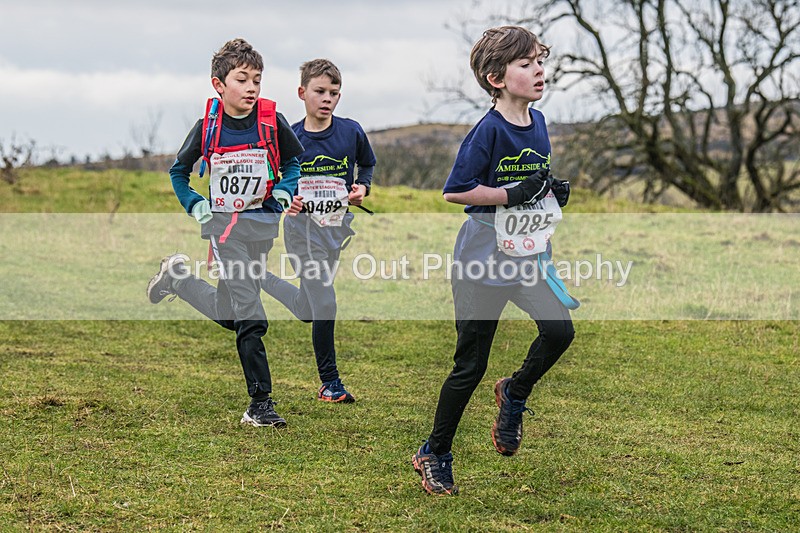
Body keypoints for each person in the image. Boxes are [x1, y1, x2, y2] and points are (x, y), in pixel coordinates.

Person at [412, 26, 576, 495]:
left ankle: (515, 393)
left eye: (539, 60)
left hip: (527, 257)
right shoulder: (486, 131)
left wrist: (549, 190)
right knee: (470, 366)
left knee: (560, 330)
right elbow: (455, 190)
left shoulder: (539, 122)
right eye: (526, 64)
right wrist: (510, 194)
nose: (539, 70)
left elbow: (533, 179)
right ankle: (434, 452)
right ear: (496, 78)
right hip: (480, 262)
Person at [146, 38, 305, 428]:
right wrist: (197, 206)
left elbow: (295, 163)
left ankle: (178, 281)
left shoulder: (272, 121)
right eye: (242, 79)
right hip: (223, 229)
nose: (252, 88)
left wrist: (283, 193)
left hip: (262, 227)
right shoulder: (207, 128)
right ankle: (260, 404)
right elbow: (178, 172)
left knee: (228, 310)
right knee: (251, 314)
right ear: (219, 85)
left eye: (257, 80)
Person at [261, 58, 376, 403]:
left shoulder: (351, 131)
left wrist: (362, 188)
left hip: (335, 230)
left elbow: (366, 164)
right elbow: (274, 182)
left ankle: (259, 276)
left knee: (307, 309)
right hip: (301, 232)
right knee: (325, 300)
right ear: (302, 93)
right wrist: (287, 200)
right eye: (320, 91)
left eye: (334, 93)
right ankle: (330, 382)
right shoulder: (291, 138)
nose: (327, 98)